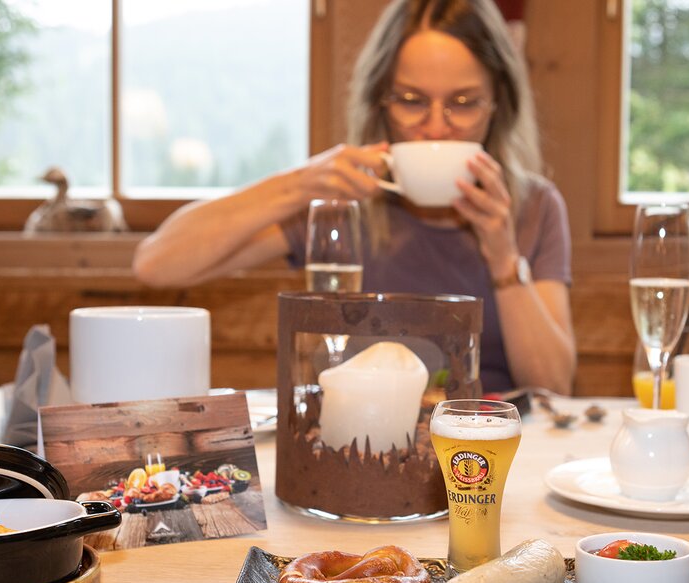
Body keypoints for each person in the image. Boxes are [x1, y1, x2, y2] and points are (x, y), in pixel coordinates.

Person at [133, 0, 575, 395]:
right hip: (359, 447)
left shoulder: (534, 206)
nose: (437, 128)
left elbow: (554, 385)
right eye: (411, 100)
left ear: (499, 103)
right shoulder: (344, 203)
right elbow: (156, 264)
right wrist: (301, 183)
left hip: (485, 450)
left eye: (463, 102)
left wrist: (504, 258)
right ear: (379, 101)